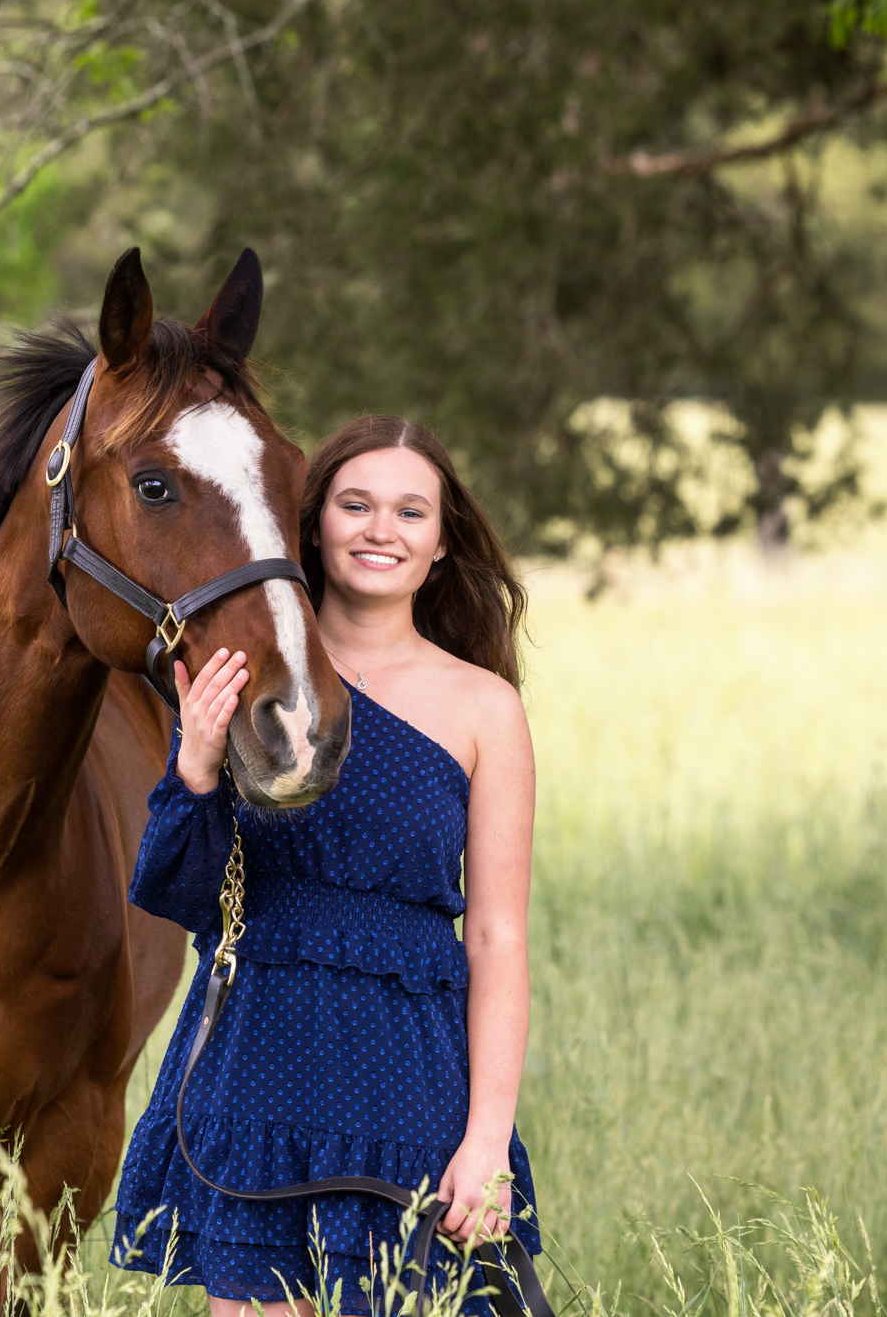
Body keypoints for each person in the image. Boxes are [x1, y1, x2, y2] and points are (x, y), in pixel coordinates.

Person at [110, 414, 542, 1317]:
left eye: (410, 512)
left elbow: (498, 938)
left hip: (411, 1089)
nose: (381, 529)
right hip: (254, 1073)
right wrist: (192, 767)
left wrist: (489, 1140)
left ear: (439, 543)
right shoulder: (245, 676)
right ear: (311, 525)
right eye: (356, 504)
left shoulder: (484, 708)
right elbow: (179, 899)